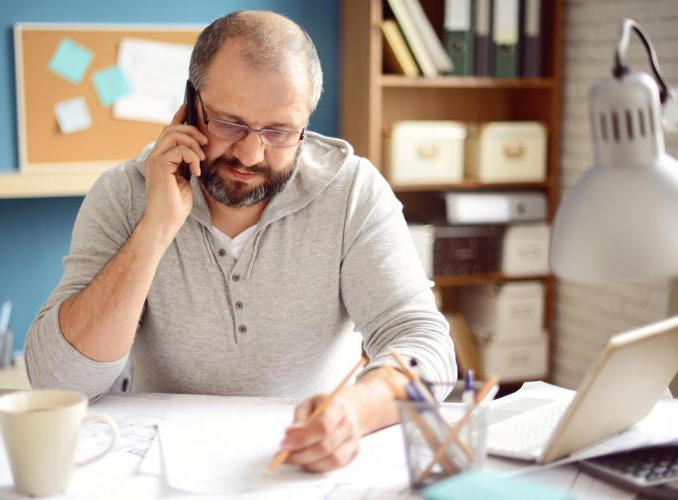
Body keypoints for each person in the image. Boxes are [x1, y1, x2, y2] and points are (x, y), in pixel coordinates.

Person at [25, 10, 456, 472]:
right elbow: (58, 383)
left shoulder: (352, 192)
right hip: (159, 469)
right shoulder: (125, 194)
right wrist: (156, 229)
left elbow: (426, 345)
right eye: (229, 123)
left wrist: (354, 411)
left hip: (302, 467)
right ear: (190, 107)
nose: (251, 154)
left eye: (280, 131)